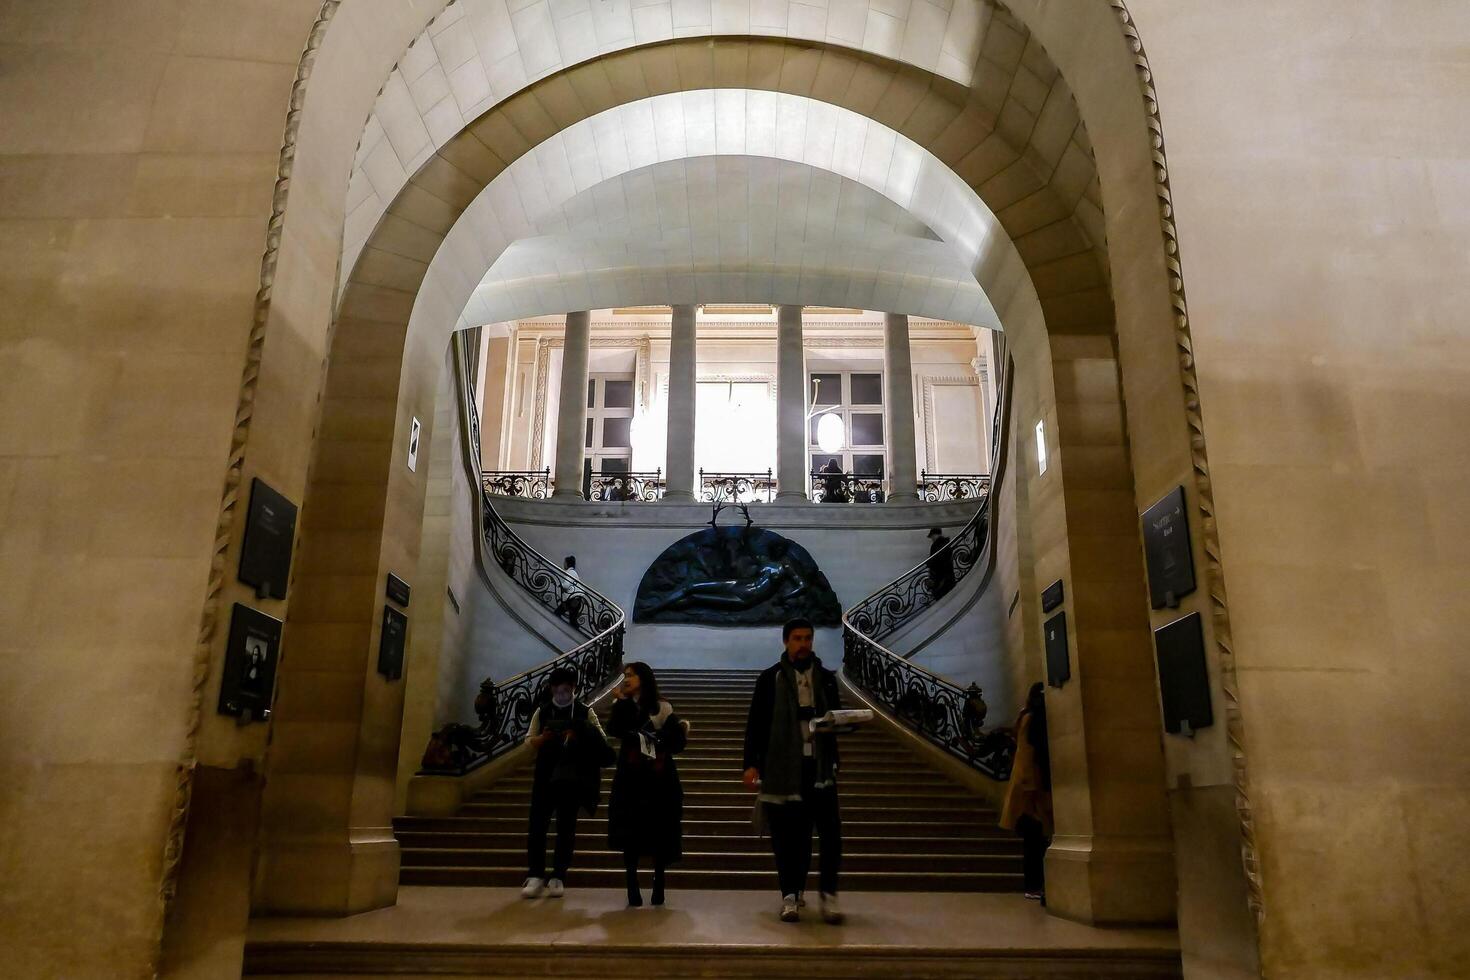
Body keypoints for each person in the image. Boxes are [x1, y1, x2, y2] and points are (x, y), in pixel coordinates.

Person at [742, 618, 844, 924]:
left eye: (808, 638)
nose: (803, 644)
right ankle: (790, 893)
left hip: (819, 767)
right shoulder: (769, 679)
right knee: (788, 836)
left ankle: (828, 894)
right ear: (786, 642)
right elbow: (756, 724)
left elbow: (837, 719)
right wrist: (751, 763)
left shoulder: (825, 679)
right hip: (783, 767)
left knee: (830, 834)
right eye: (797, 638)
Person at [521, 666, 613, 899]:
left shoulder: (584, 711)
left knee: (566, 827)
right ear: (551, 688)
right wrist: (541, 740)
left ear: (573, 688)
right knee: (537, 825)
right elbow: (528, 739)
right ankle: (535, 874)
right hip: (544, 775)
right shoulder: (542, 712)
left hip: (572, 777)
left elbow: (601, 740)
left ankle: (558, 875)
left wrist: (579, 735)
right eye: (559, 689)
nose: (563, 694)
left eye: (567, 689)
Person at [606, 662, 689, 907]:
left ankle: (659, 881)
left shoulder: (662, 706)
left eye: (631, 675)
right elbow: (616, 730)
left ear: (644, 678)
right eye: (625, 676)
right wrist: (622, 702)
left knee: (660, 831)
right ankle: (632, 884)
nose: (626, 679)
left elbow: (676, 741)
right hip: (631, 779)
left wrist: (660, 736)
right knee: (630, 832)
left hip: (658, 778)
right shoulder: (622, 705)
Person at [1000, 682, 1053, 902]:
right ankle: (1034, 885)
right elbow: (1027, 756)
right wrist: (1030, 788)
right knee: (1035, 842)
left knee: (1036, 842)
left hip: (1030, 787)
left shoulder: (1027, 716)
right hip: (1030, 790)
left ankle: (1037, 884)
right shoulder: (1032, 720)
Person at [552, 555, 585, 627]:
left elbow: (566, 585)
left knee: (558, 612)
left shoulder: (570, 572)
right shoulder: (573, 572)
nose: (563, 564)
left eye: (564, 563)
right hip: (576, 599)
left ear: (567, 564)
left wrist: (561, 585)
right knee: (572, 620)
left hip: (573, 599)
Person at [927, 527, 956, 599]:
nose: (932, 539)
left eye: (932, 536)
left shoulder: (937, 545)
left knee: (940, 596)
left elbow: (937, 560)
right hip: (946, 576)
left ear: (935, 535)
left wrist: (929, 564)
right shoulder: (945, 544)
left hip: (941, 577)